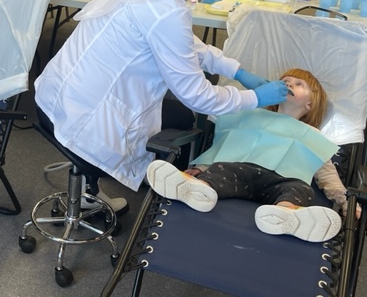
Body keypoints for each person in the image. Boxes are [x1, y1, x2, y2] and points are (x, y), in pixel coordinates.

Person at [35, 0, 288, 197]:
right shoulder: (166, 10)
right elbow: (197, 96)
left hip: (57, 95)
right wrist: (255, 99)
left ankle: (92, 190)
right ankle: (159, 200)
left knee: (174, 114)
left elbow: (182, 44)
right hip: (85, 120)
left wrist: (236, 70)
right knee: (183, 119)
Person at [148, 68, 359, 242]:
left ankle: (286, 214)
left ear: (310, 104)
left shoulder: (313, 134)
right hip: (241, 171)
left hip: (283, 181)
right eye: (285, 80)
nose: (289, 84)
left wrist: (344, 200)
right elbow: (226, 145)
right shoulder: (249, 114)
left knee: (301, 189)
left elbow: (327, 174)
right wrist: (201, 168)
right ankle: (198, 190)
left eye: (298, 84)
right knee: (222, 170)